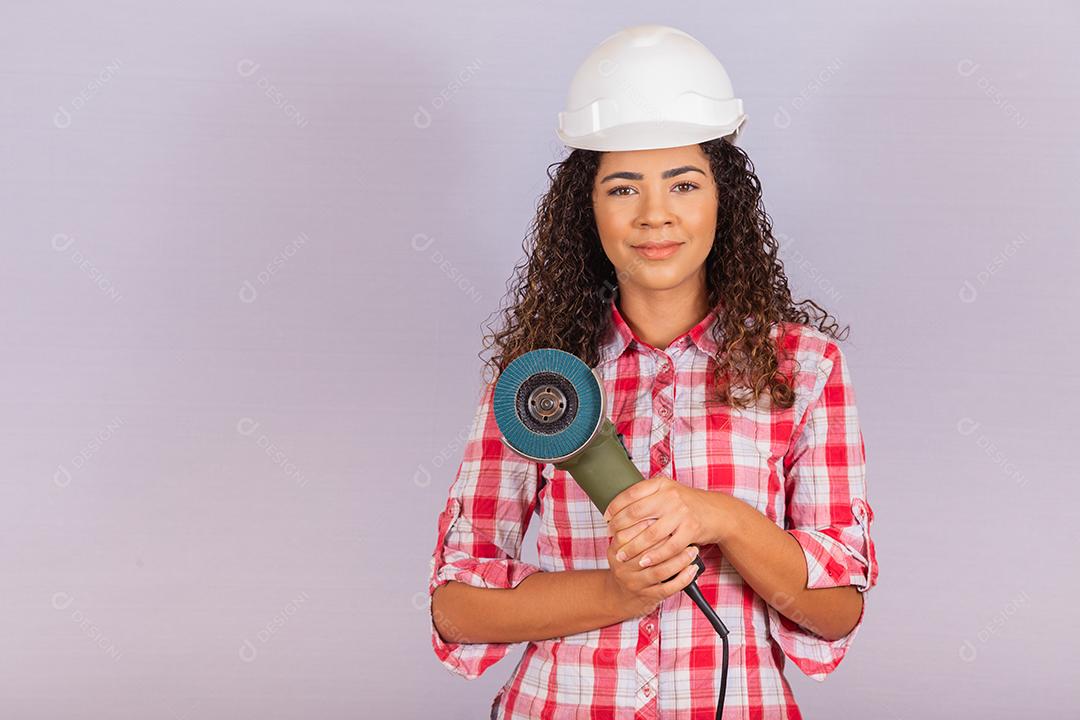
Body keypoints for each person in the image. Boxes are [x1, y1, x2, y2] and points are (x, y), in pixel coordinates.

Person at [426, 24, 878, 720]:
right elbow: (457, 609)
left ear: (723, 201)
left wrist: (721, 517)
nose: (655, 216)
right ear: (589, 208)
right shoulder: (542, 386)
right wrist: (620, 592)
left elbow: (835, 612)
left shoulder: (805, 369)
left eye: (684, 183)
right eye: (623, 188)